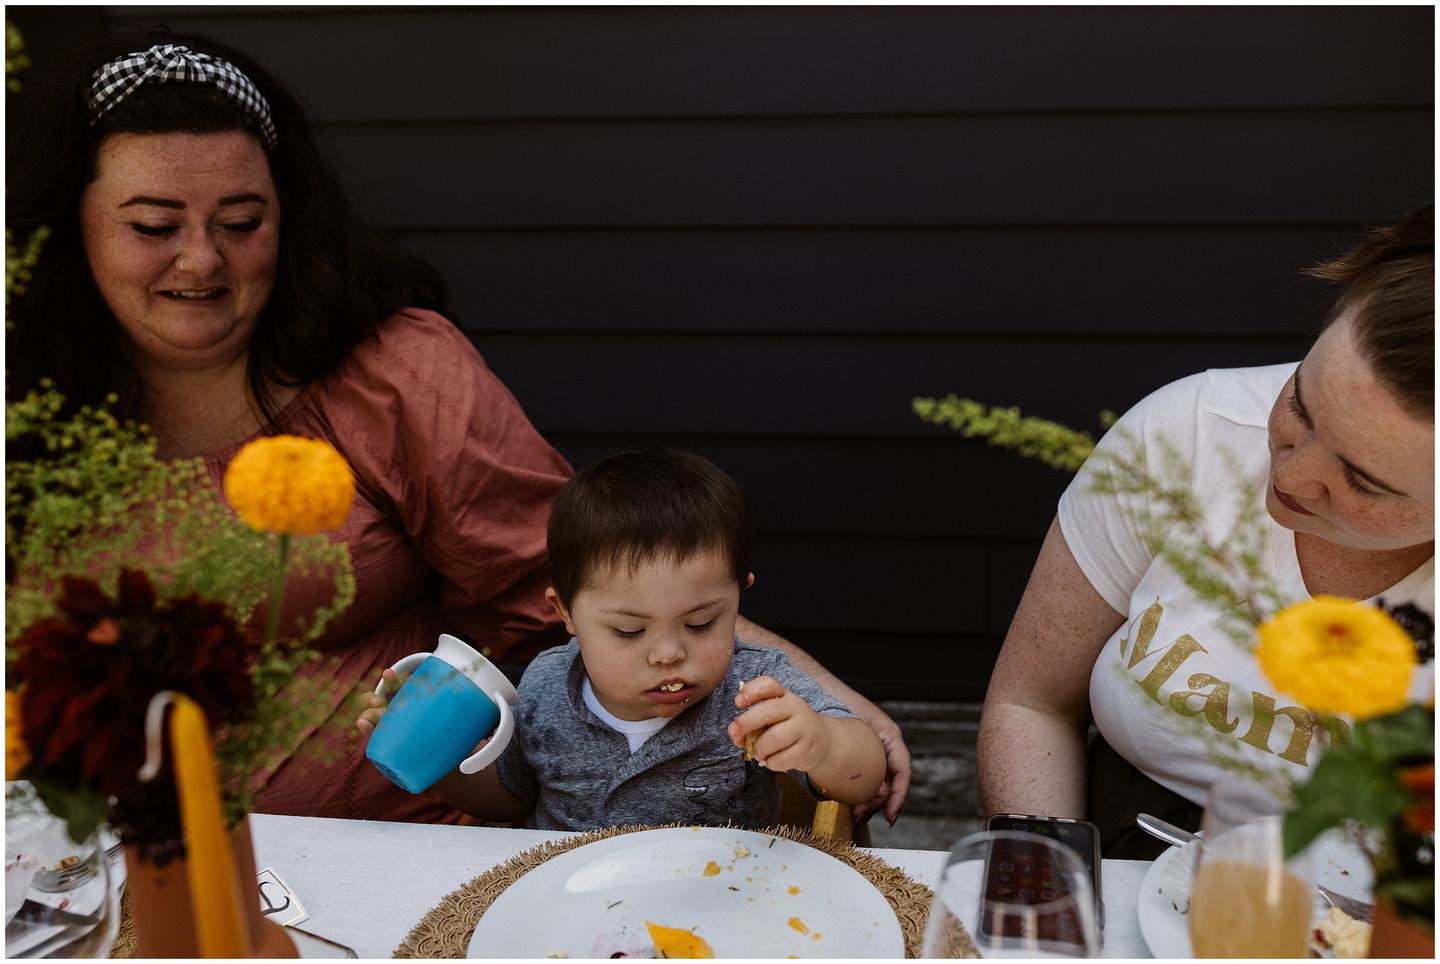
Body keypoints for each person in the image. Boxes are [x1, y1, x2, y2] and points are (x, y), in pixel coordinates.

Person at [7, 29, 912, 824]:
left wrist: (831, 711)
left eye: (242, 221)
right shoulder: (29, 407)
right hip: (95, 849)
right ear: (66, 229)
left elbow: (589, 583)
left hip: (394, 848)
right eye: (153, 225)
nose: (201, 259)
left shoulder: (391, 375)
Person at [978, 206, 1434, 858]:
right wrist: (1051, 888)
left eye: (1365, 482)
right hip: (1123, 844)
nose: (1291, 474)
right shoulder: (1188, 433)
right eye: (1300, 403)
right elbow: (1031, 704)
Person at [357, 450, 887, 829]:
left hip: (720, 906)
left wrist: (820, 742)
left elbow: (864, 775)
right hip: (570, 913)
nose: (667, 653)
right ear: (564, 612)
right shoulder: (544, 686)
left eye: (701, 623)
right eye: (629, 631)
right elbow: (509, 802)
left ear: (738, 599)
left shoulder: (755, 687)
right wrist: (442, 763)